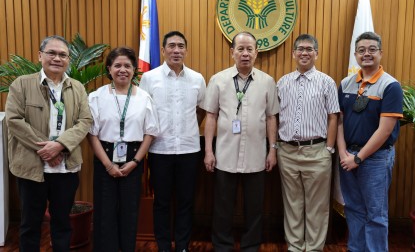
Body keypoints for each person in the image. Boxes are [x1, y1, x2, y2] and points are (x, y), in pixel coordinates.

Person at [5, 35, 92, 252]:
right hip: (32, 167)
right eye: (52, 53)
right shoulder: (22, 84)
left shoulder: (77, 87)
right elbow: (14, 120)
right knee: (30, 225)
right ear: (40, 55)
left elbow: (85, 121)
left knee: (62, 224)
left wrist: (60, 145)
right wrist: (46, 149)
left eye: (63, 54)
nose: (57, 58)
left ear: (68, 60)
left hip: (66, 167)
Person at [203, 31, 278, 251]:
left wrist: (272, 150)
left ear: (256, 52)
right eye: (240, 49)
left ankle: (251, 246)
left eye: (249, 49)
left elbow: (272, 117)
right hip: (225, 155)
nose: (245, 53)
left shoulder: (267, 81)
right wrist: (208, 151)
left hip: (256, 155)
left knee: (254, 207)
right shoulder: (218, 80)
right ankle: (222, 246)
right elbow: (211, 117)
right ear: (232, 52)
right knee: (223, 206)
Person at [139, 31, 206, 252]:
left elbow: (201, 111)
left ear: (186, 50)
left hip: (189, 149)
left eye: (180, 46)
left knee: (186, 202)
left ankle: (183, 246)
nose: (176, 50)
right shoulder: (149, 78)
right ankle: (164, 245)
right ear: (163, 50)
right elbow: (143, 112)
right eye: (171, 46)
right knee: (162, 202)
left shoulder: (197, 78)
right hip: (160, 149)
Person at [87, 47, 159, 252]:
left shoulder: (144, 98)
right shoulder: (96, 97)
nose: (122, 70)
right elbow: (91, 134)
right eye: (117, 65)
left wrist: (135, 162)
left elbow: (150, 132)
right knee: (104, 212)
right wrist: (108, 165)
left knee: (129, 212)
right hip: (104, 158)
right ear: (109, 69)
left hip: (133, 158)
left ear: (134, 69)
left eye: (127, 65)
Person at [337, 31, 403, 252]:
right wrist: (344, 153)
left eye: (372, 50)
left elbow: (385, 131)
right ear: (355, 55)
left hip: (374, 159)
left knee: (375, 214)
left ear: (381, 53)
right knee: (354, 209)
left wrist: (358, 157)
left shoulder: (390, 85)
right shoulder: (346, 83)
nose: (367, 54)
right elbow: (338, 121)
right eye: (362, 50)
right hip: (348, 158)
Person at [276, 34, 340, 252]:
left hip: (317, 152)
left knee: (317, 206)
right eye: (300, 49)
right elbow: (275, 117)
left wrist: (329, 149)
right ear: (293, 53)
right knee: (292, 205)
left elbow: (334, 116)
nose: (304, 52)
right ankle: (294, 247)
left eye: (309, 49)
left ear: (316, 53)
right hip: (287, 152)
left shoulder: (327, 82)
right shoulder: (282, 82)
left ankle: (313, 249)